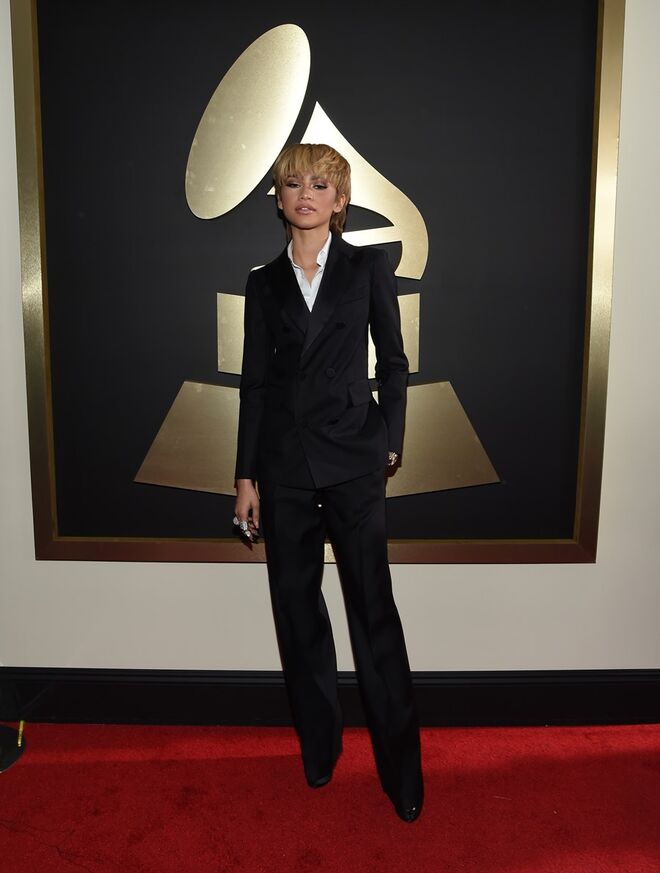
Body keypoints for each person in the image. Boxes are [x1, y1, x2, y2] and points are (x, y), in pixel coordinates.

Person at [233, 143, 423, 822]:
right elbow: (255, 384)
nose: (305, 194)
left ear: (339, 200)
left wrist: (389, 440)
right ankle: (320, 747)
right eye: (293, 183)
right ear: (279, 199)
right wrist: (246, 474)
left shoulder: (368, 268)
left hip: (353, 461)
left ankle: (401, 770)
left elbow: (394, 362)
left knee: (374, 613)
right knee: (297, 612)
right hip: (284, 469)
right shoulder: (263, 283)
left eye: (319, 184)